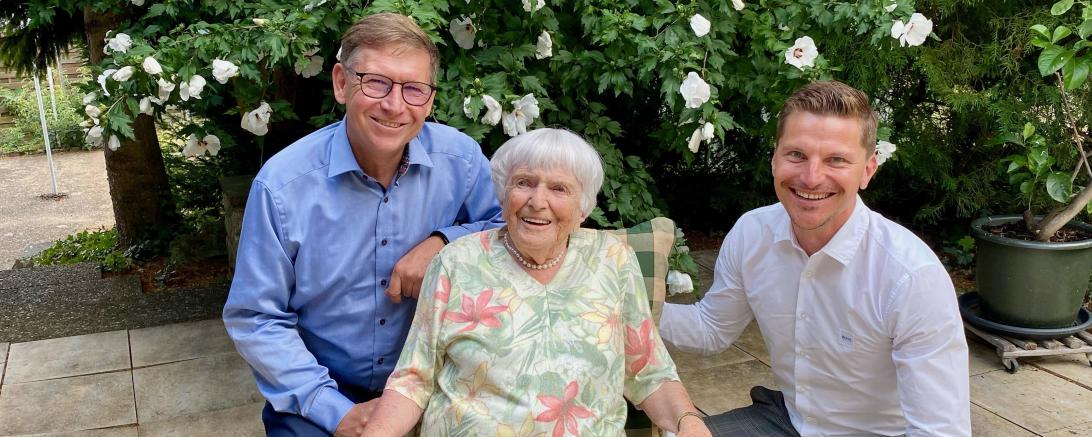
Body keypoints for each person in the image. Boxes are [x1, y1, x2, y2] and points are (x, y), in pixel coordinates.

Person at [222, 13, 503, 437]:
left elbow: (509, 231)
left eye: (413, 89)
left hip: (434, 381)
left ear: (429, 99)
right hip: (322, 386)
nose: (394, 105)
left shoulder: (461, 160)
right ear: (341, 83)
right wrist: (334, 410)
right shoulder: (282, 186)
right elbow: (257, 318)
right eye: (376, 82)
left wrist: (445, 241)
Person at [660, 81, 970, 436]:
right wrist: (626, 303)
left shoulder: (912, 277)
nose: (811, 177)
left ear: (868, 170)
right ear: (774, 158)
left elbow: (939, 431)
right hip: (787, 422)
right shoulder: (752, 234)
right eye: (796, 155)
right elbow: (710, 330)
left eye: (836, 159)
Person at [359, 128, 712, 437]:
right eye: (524, 183)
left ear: (583, 209)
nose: (537, 201)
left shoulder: (612, 260)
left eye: (559, 189)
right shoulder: (457, 261)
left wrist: (688, 421)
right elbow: (413, 380)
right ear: (504, 193)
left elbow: (648, 372)